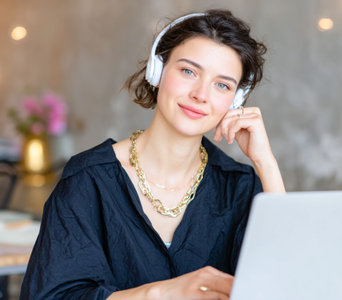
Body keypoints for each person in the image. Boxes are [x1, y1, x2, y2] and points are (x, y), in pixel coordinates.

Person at [20, 9, 285, 300]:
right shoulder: (87, 179)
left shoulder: (241, 186)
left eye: (222, 85)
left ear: (234, 101)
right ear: (157, 72)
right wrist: (159, 294)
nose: (201, 94)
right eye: (188, 71)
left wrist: (266, 163)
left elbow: (286, 284)